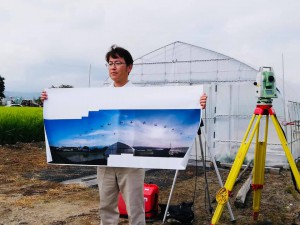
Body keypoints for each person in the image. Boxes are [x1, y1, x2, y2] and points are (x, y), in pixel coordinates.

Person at [40, 45, 208, 225]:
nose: (113, 67)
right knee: (106, 204)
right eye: (110, 63)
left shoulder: (142, 94)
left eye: (118, 63)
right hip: (105, 162)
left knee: (135, 206)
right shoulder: (99, 94)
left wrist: (195, 102)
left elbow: (173, 104)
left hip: (131, 162)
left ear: (129, 67)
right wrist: (51, 102)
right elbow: (72, 106)